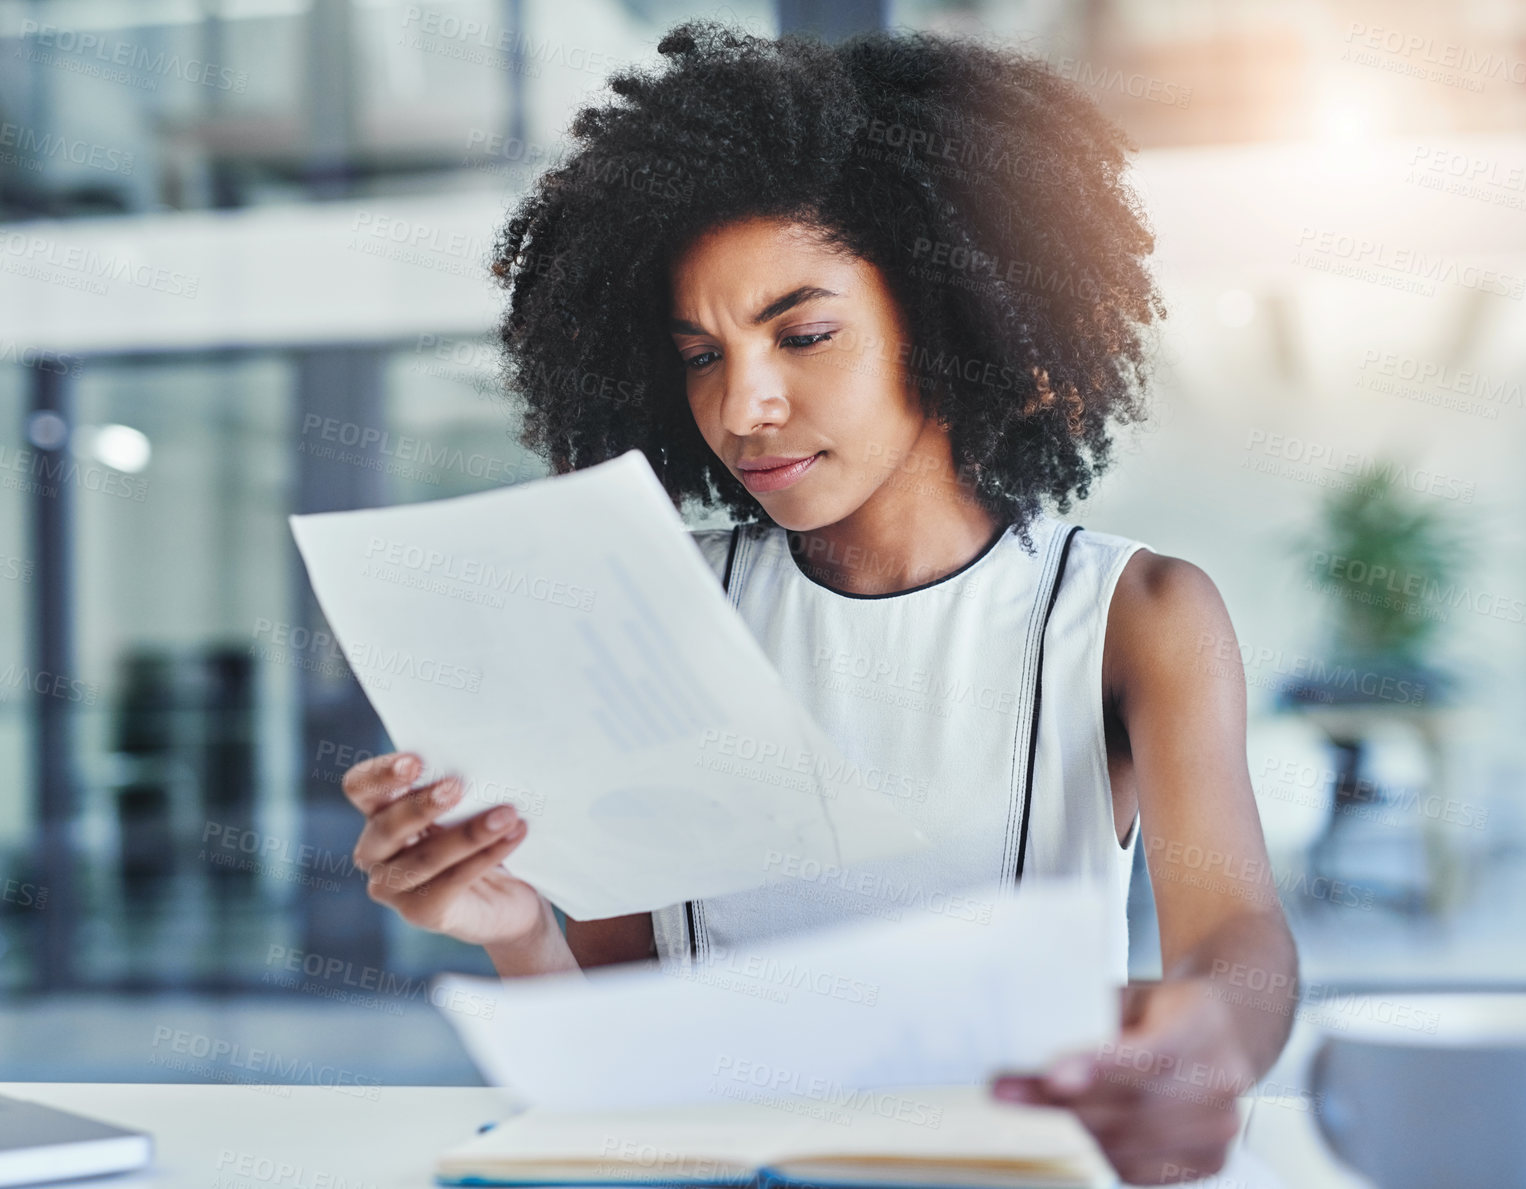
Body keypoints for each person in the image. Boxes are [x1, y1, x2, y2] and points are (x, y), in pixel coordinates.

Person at [340, 20, 1298, 1185]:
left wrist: (1206, 1040)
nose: (743, 405)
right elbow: (617, 1041)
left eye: (803, 334)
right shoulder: (654, 600)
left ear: (959, 328)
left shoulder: (1125, 614)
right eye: (700, 354)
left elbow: (1235, 942)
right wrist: (514, 927)